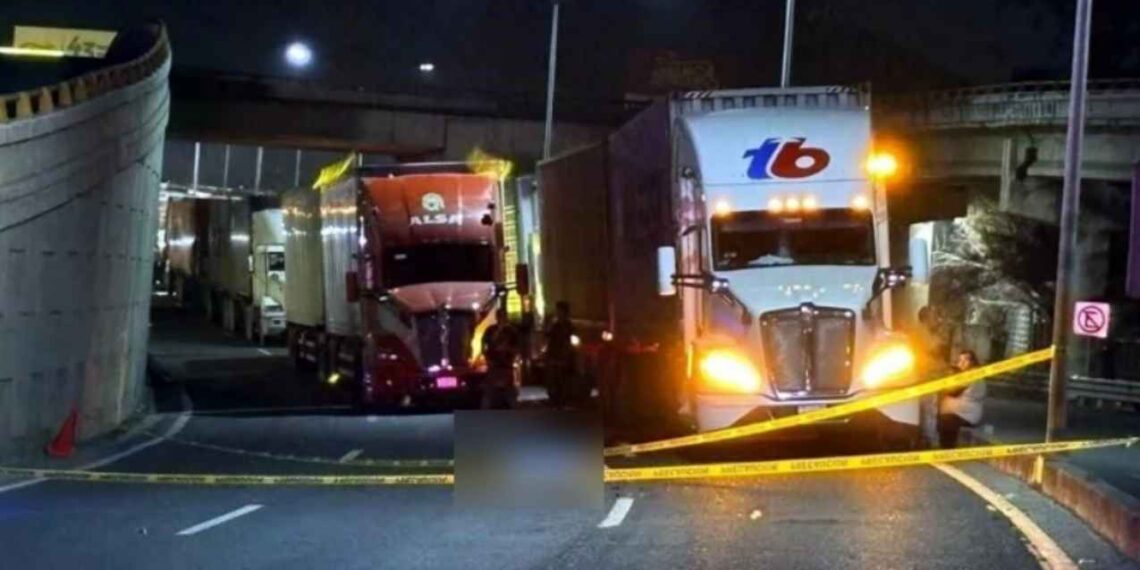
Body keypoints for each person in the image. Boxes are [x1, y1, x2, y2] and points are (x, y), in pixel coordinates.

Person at [938, 349, 986, 448]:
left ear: (973, 362)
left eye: (966, 360)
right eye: (960, 360)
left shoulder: (971, 374)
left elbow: (953, 392)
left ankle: (947, 450)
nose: (962, 363)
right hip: (963, 412)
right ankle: (945, 449)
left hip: (966, 414)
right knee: (944, 419)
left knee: (947, 421)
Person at [481, 306, 520, 409]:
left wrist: (509, 351)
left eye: (503, 316)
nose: (501, 318)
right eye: (499, 316)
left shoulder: (511, 331)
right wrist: (487, 358)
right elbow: (484, 345)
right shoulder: (490, 330)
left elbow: (517, 347)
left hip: (506, 365)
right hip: (494, 365)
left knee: (509, 392)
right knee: (490, 392)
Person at [544, 301, 577, 408]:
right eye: (558, 311)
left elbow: (572, 342)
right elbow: (548, 337)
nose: (558, 313)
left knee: (563, 380)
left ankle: (563, 399)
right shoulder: (555, 326)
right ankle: (555, 399)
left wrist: (568, 356)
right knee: (553, 379)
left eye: (560, 311)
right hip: (554, 356)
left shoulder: (569, 326)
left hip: (564, 357)